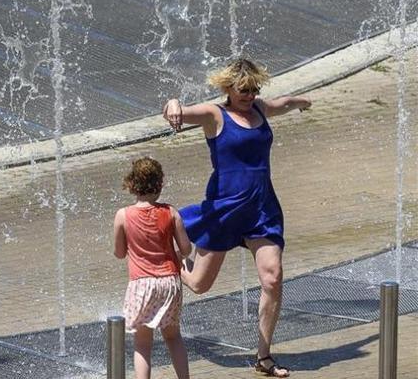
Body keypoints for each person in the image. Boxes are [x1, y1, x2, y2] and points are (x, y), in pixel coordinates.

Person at [162, 58, 311, 377]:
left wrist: (299, 102)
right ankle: (173, 258)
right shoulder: (214, 114)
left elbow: (281, 103)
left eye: (254, 89)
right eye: (243, 90)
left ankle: (264, 356)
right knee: (200, 285)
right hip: (225, 208)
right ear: (228, 87)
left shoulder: (259, 108)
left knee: (272, 277)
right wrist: (173, 104)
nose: (249, 95)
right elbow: (179, 110)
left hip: (261, 208)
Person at [114, 157, 192, 379]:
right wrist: (174, 254)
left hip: (142, 284)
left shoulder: (123, 215)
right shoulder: (171, 212)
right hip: (169, 282)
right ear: (159, 184)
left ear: (132, 184)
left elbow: (120, 253)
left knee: (142, 344)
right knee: (173, 337)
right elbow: (186, 249)